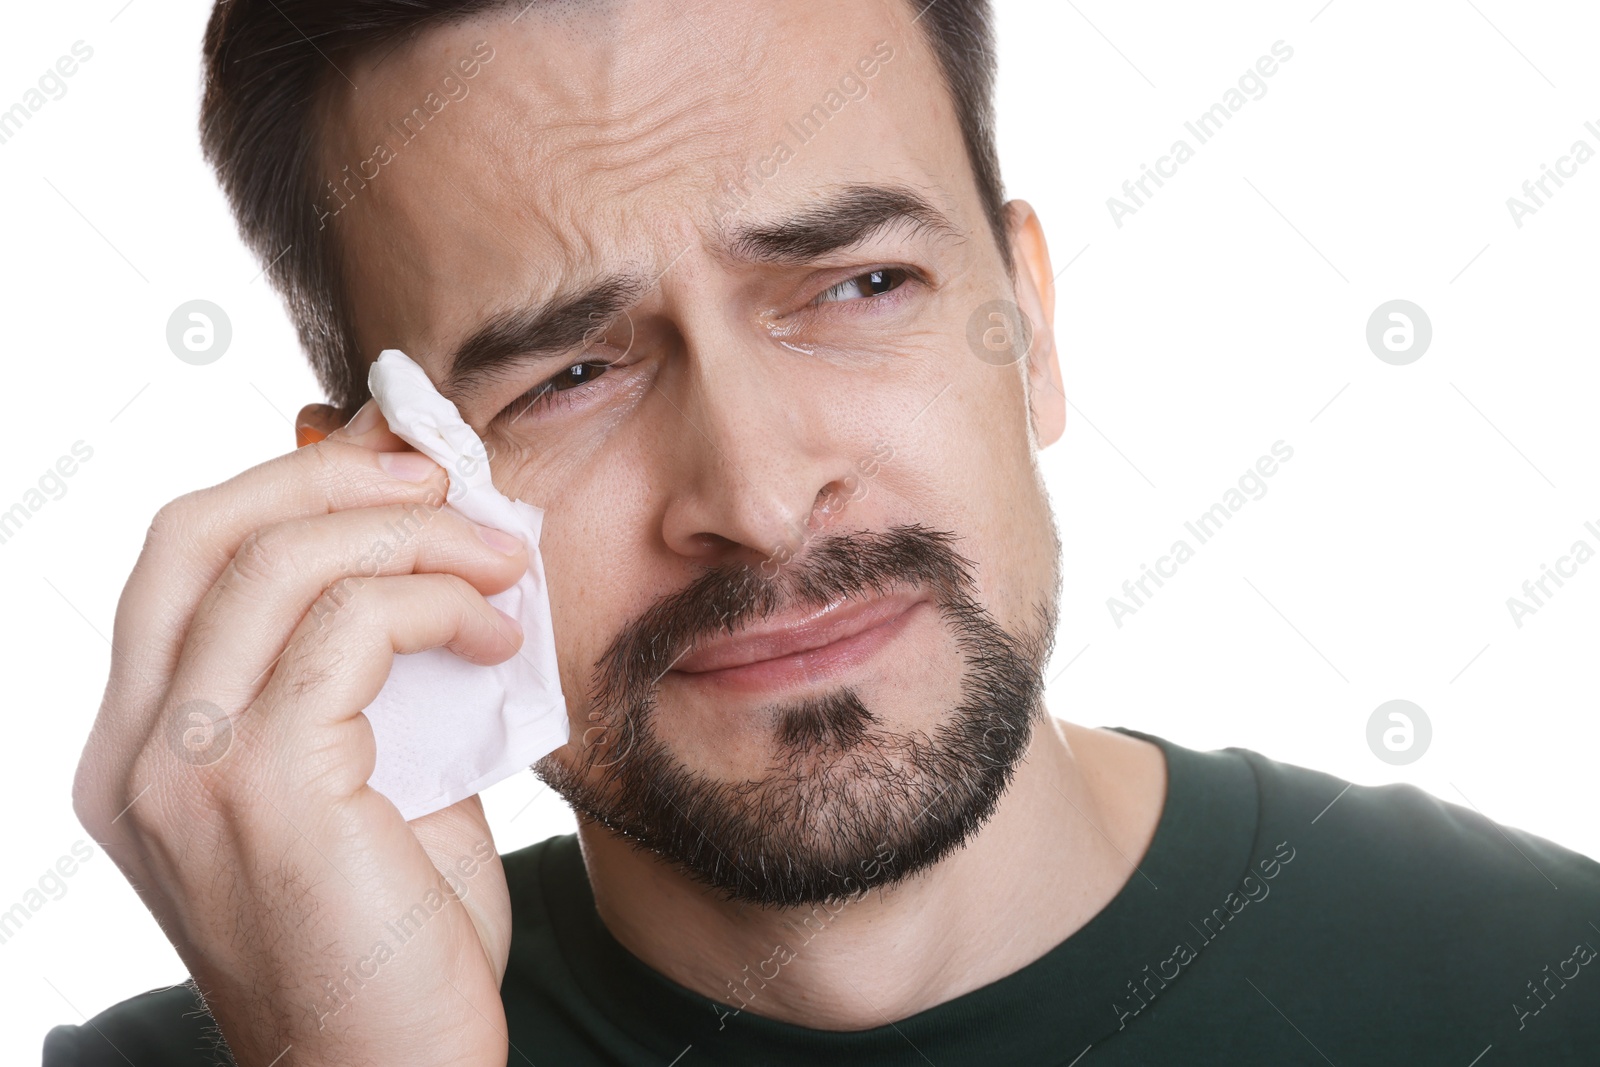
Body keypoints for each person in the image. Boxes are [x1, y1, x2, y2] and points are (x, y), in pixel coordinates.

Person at [46, 1, 1600, 1063]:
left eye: (858, 287)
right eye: (569, 373)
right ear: (372, 501)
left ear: (1031, 328)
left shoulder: (1543, 992)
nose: (761, 499)